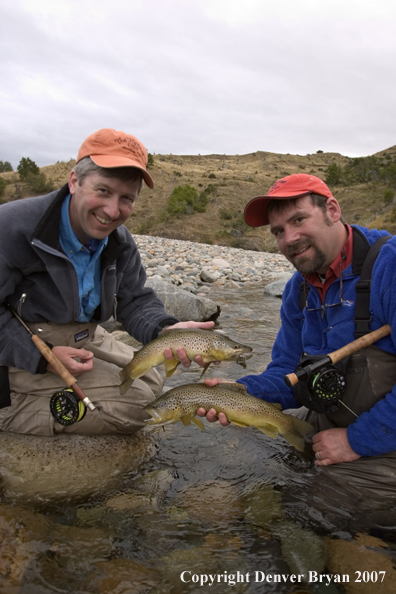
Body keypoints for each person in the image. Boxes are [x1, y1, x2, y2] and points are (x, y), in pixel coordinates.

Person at [0, 128, 214, 436]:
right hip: (25, 342)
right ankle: (10, 410)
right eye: (103, 191)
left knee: (152, 379)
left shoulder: (119, 241)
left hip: (82, 335)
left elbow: (135, 300)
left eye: (126, 198)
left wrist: (166, 331)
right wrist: (41, 357)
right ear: (74, 181)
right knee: (137, 408)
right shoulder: (12, 228)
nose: (112, 211)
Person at [200, 173, 396, 481]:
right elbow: (287, 372)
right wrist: (242, 392)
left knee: (326, 507)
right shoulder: (298, 290)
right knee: (259, 459)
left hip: (383, 426)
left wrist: (356, 440)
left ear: (332, 210)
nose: (289, 239)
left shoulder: (390, 266)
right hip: (330, 415)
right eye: (279, 230)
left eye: (299, 220)